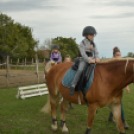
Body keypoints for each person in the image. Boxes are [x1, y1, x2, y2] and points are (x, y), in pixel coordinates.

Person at [69, 26, 100, 96]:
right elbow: (83, 54)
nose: (92, 36)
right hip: (83, 59)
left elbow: (96, 52)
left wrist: (97, 58)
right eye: (91, 35)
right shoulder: (82, 43)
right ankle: (73, 85)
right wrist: (89, 60)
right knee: (80, 69)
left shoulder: (94, 44)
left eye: (93, 35)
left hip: (92, 59)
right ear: (86, 35)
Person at [108, 47, 130, 129]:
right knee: (119, 103)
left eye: (120, 55)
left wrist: (127, 87)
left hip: (119, 88)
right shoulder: (111, 66)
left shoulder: (122, 66)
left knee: (115, 103)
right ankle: (123, 121)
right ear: (114, 56)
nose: (119, 57)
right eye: (117, 55)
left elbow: (125, 77)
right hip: (112, 88)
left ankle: (110, 117)